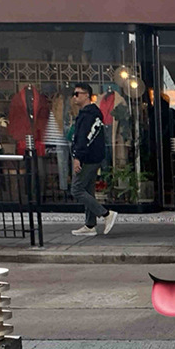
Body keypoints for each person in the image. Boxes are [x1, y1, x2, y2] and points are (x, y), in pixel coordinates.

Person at [69, 83, 117, 237]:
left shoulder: (88, 115)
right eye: (74, 94)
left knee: (76, 189)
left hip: (88, 158)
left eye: (77, 94)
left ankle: (105, 214)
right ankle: (90, 225)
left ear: (86, 95)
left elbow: (84, 138)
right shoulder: (92, 113)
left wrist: (78, 157)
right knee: (88, 190)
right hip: (93, 156)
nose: (74, 97)